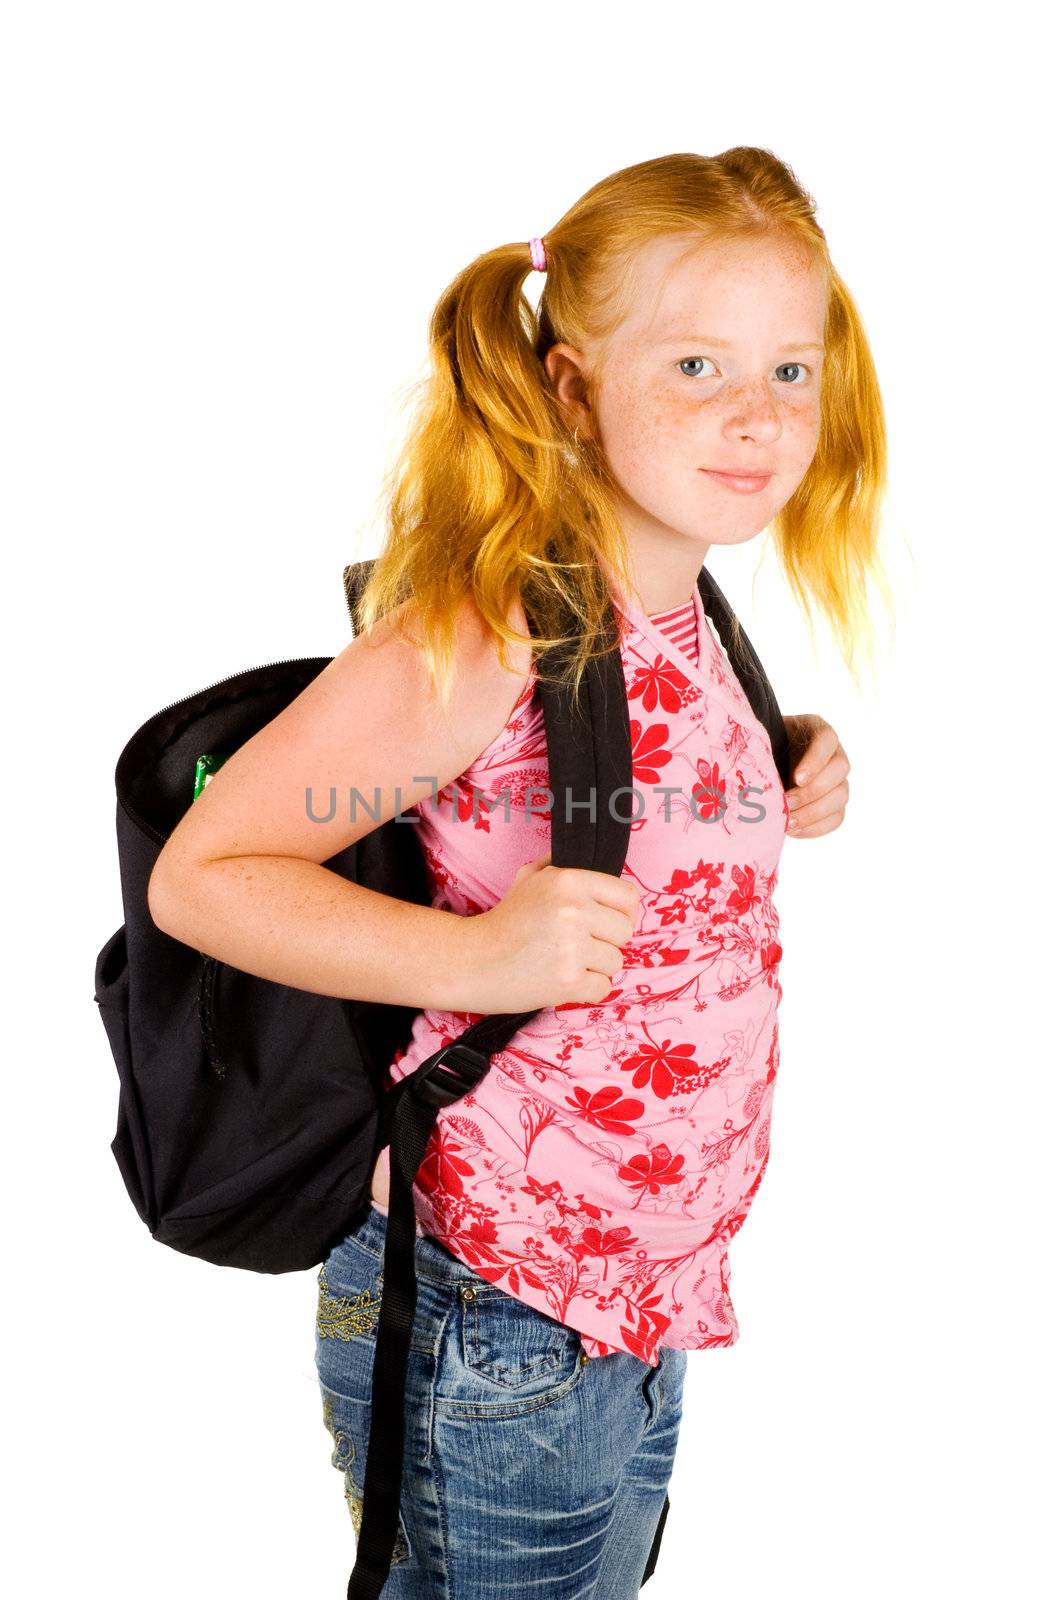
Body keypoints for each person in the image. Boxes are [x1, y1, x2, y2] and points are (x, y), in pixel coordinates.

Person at [147, 145, 877, 1597]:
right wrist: (480, 961)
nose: (756, 415)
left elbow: (618, 793)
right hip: (496, 1305)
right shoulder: (490, 631)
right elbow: (209, 872)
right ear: (568, 384)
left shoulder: (690, 607)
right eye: (693, 366)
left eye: (791, 372)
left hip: (637, 1298)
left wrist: (782, 765)